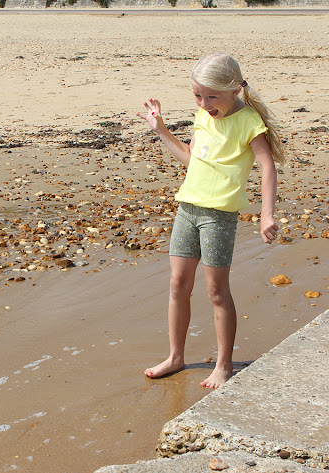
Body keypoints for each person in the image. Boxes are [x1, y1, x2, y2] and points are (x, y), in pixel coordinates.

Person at [137, 52, 286, 389]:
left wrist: (266, 215)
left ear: (234, 89)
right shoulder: (202, 116)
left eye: (211, 96)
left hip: (219, 215)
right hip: (187, 209)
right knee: (178, 285)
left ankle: (224, 365)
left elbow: (267, 167)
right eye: (197, 95)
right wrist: (161, 130)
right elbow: (190, 159)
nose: (204, 103)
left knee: (217, 291)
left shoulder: (248, 121)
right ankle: (176, 357)